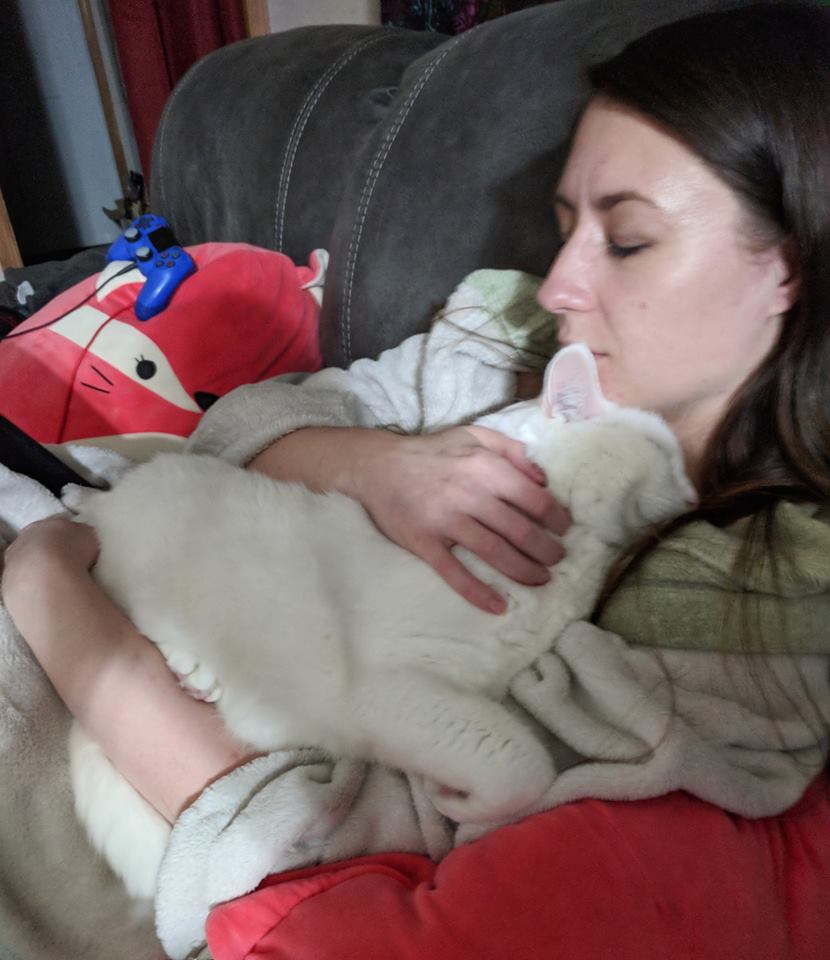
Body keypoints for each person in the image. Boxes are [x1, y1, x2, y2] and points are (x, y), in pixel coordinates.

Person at [3, 3, 830, 958]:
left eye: (629, 239)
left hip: (71, 770)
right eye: (565, 225)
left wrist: (50, 595)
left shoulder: (765, 590)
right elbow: (232, 423)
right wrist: (374, 466)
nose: (559, 283)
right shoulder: (502, 337)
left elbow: (316, 844)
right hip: (100, 560)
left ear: (790, 267)